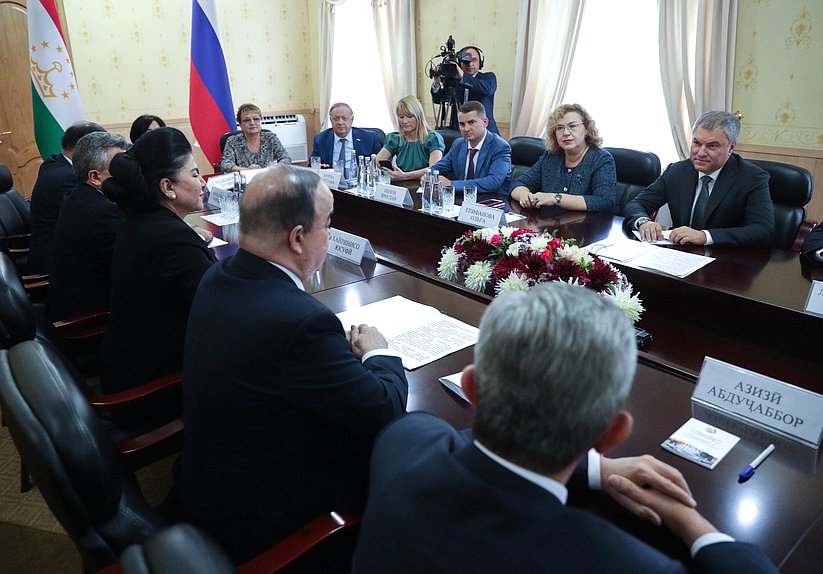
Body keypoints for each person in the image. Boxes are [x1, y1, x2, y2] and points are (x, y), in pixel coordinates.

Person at [352, 282, 778, 574]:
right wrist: (689, 521)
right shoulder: (623, 564)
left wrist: (597, 471)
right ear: (611, 435)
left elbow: (450, 440)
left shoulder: (401, 445)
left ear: (471, 388)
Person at [177, 164, 408, 564]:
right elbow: (384, 407)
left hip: (208, 479)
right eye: (328, 224)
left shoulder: (219, 275)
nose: (331, 235)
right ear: (297, 238)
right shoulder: (300, 323)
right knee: (403, 468)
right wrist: (378, 352)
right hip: (260, 521)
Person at [99, 127, 216, 418]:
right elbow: (221, 308)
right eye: (194, 174)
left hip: (130, 366)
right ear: (167, 187)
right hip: (152, 387)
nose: (202, 182)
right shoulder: (171, 240)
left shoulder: (144, 222)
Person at [624, 111, 775, 247]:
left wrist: (704, 236)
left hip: (726, 263)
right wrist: (644, 222)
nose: (701, 153)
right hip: (680, 256)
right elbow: (636, 204)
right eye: (696, 143)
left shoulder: (752, 178)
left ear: (730, 148)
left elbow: (763, 231)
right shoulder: (677, 171)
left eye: (712, 146)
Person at [48, 131, 126, 321]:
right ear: (95, 177)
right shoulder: (101, 212)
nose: (128, 171)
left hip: (75, 301)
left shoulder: (80, 196)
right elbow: (136, 264)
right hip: (93, 319)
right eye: (121, 167)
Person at [29, 121, 106, 275]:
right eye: (103, 150)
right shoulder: (68, 177)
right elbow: (90, 218)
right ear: (85, 148)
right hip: (56, 263)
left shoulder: (55, 164)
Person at [510, 103, 617, 213]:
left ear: (586, 129)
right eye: (560, 128)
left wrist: (556, 198)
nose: (566, 133)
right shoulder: (551, 157)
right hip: (549, 224)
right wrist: (524, 195)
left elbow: (605, 201)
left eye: (572, 126)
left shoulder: (601, 159)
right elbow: (517, 184)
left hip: (586, 227)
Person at [427, 101, 511, 194]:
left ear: (485, 122)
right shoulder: (458, 144)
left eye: (471, 122)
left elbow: (493, 182)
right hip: (462, 201)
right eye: (462, 124)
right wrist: (429, 176)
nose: (466, 129)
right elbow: (439, 167)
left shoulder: (500, 147)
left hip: (491, 201)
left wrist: (451, 184)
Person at [431, 45, 499, 135]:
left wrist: (463, 77)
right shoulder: (453, 80)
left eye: (474, 60)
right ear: (460, 63)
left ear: (480, 63)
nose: (470, 64)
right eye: (466, 61)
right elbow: (437, 99)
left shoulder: (488, 78)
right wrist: (437, 81)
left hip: (485, 132)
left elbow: (488, 90)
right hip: (458, 132)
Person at [376, 96, 445, 182]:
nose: (404, 121)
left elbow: (434, 169)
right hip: (401, 186)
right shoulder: (395, 139)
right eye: (401, 117)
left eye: (409, 116)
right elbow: (377, 162)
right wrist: (389, 169)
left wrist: (405, 176)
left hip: (424, 185)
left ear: (418, 116)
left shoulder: (433, 139)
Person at [220, 103, 290, 172]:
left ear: (260, 121)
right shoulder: (233, 141)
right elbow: (225, 164)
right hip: (245, 180)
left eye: (256, 119)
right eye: (247, 120)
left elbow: (286, 158)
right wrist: (247, 170)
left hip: (269, 178)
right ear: (240, 124)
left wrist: (274, 168)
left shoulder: (271, 138)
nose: (252, 123)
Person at [310, 102, 382, 168]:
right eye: (336, 119)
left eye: (344, 118)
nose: (340, 122)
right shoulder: (320, 139)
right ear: (331, 120)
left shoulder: (369, 138)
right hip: (331, 179)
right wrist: (319, 167)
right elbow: (312, 164)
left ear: (352, 120)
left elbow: (380, 162)